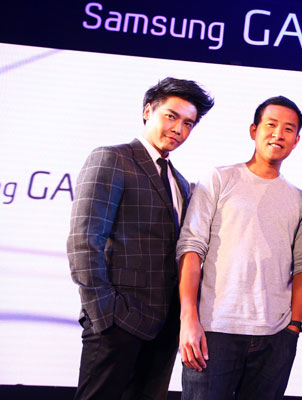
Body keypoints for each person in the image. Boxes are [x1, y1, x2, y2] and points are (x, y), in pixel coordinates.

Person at [67, 77, 214, 399]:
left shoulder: (180, 182)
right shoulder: (112, 158)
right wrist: (105, 315)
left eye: (188, 123)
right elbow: (84, 239)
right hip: (116, 323)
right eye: (171, 116)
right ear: (148, 111)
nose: (178, 129)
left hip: (164, 328)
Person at [176, 96, 302, 400]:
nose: (278, 134)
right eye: (271, 125)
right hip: (214, 330)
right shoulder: (219, 178)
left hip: (275, 337)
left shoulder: (300, 199)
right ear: (254, 130)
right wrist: (188, 318)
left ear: (296, 140)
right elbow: (191, 248)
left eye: (288, 129)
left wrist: (293, 327)